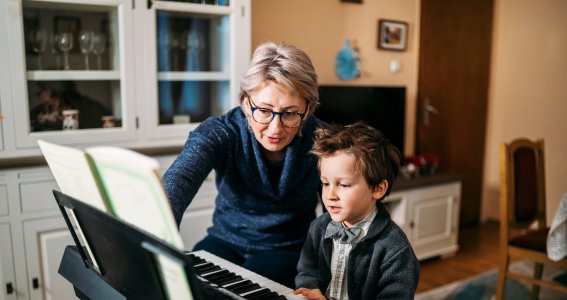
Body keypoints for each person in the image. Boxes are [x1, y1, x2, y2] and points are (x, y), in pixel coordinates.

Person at [162, 41, 325, 288]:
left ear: (308, 109)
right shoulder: (220, 133)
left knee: (247, 286)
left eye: (290, 113)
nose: (275, 128)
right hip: (224, 241)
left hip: (288, 249)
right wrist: (157, 233)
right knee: (192, 284)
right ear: (246, 102)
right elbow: (178, 182)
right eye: (264, 110)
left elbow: (345, 210)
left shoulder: (324, 141)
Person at [294, 122, 420, 299]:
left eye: (343, 185)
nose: (330, 195)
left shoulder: (395, 249)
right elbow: (307, 271)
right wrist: (310, 288)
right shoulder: (318, 227)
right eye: (325, 183)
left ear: (378, 189)